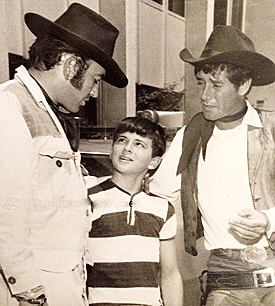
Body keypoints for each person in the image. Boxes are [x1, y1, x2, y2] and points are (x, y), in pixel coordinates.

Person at [0, 3, 127, 306]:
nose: (94, 92)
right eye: (96, 79)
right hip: (33, 294)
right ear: (71, 66)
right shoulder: (10, 106)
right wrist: (29, 291)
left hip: (60, 285)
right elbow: (6, 212)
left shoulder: (46, 111)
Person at [150, 25, 275, 305]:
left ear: (243, 86)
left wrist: (269, 220)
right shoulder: (189, 136)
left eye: (216, 85)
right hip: (225, 283)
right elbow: (157, 199)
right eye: (200, 83)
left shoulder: (272, 130)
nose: (204, 95)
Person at [86, 117, 183, 306]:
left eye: (139, 144)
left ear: (154, 162)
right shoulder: (88, 197)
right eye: (122, 140)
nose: (127, 148)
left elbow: (170, 273)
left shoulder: (163, 209)